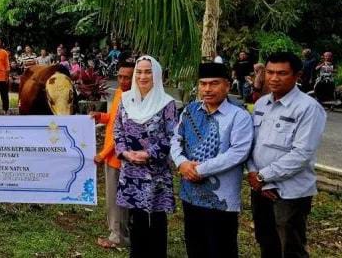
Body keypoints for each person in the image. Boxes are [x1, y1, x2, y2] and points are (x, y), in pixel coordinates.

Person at [247, 52, 326, 258]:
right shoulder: (262, 104)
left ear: (297, 76)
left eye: (282, 73)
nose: (274, 78)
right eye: (270, 72)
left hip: (289, 192)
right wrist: (254, 175)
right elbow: (251, 144)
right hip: (260, 187)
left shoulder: (308, 108)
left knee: (290, 248)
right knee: (266, 241)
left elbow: (301, 153)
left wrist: (263, 177)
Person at [171, 63, 253, 258]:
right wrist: (181, 163)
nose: (207, 89)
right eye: (203, 83)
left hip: (221, 199)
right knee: (195, 246)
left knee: (221, 249)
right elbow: (176, 138)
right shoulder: (190, 110)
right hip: (190, 193)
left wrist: (200, 170)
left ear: (227, 85)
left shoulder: (238, 116)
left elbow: (238, 152)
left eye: (214, 83)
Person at [113, 55, 178, 258]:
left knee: (156, 220)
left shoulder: (166, 103)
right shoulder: (125, 99)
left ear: (156, 75)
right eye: (139, 72)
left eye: (148, 72)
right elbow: (117, 130)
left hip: (155, 173)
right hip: (131, 170)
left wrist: (149, 154)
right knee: (136, 219)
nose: (142, 76)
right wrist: (125, 153)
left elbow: (173, 136)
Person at [92, 61, 135, 249]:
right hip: (112, 157)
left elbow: (122, 134)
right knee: (116, 197)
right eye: (120, 77)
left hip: (118, 158)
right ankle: (120, 232)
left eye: (127, 78)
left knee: (116, 199)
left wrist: (102, 154)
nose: (123, 81)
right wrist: (100, 116)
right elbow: (113, 119)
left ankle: (118, 236)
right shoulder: (119, 93)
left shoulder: (134, 100)